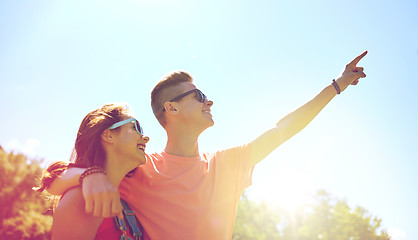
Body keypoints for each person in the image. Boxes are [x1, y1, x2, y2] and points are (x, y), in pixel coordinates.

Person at [46, 51, 368, 239]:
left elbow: (283, 129)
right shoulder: (141, 168)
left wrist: (337, 85)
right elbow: (55, 179)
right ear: (170, 109)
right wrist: (91, 174)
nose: (208, 100)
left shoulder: (229, 165)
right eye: (198, 96)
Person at [36, 103, 150, 240]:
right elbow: (52, 175)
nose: (145, 137)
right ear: (108, 135)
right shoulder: (81, 199)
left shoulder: (128, 210)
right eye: (135, 127)